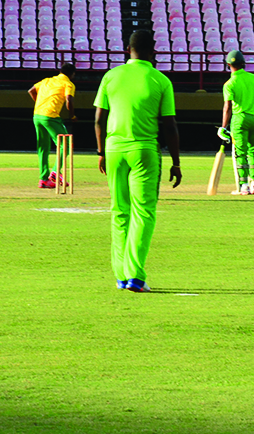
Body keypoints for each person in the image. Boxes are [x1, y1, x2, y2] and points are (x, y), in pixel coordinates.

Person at [94, 30, 182, 293]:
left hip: (113, 150)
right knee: (143, 212)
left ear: (127, 49)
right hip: (144, 150)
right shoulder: (160, 80)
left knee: (119, 212)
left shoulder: (111, 76)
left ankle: (121, 276)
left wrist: (100, 152)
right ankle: (135, 276)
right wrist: (176, 162)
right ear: (153, 51)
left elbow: (98, 119)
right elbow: (169, 125)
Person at [218, 50, 254, 195]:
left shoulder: (229, 83)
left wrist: (223, 127)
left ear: (228, 65)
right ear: (243, 64)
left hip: (240, 119)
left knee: (240, 153)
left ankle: (243, 186)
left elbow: (227, 107)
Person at [28, 63, 76, 189]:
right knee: (65, 144)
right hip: (50, 116)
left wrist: (40, 103)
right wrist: (72, 116)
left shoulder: (47, 80)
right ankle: (55, 172)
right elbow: (69, 100)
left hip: (37, 115)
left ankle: (44, 179)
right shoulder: (68, 83)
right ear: (72, 74)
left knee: (43, 147)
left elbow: (31, 91)